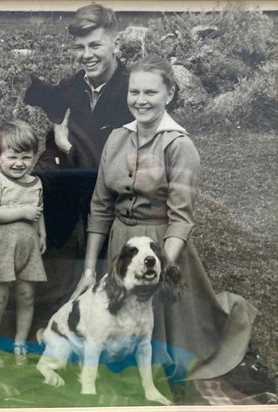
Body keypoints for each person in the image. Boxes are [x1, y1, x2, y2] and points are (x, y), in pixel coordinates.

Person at [74, 55, 257, 383]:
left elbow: (181, 219)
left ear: (169, 94)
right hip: (120, 247)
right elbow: (100, 209)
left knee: (158, 350)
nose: (140, 101)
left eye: (150, 93)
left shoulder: (179, 146)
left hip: (161, 248)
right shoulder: (116, 139)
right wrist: (89, 271)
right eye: (134, 92)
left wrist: (159, 273)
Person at [23, 4, 134, 326]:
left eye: (95, 45)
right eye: (80, 47)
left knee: (115, 287)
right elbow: (51, 149)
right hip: (77, 197)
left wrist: (70, 146)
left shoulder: (133, 89)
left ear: (114, 40)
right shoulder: (72, 88)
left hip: (121, 197)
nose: (87, 55)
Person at [0, 119, 47, 367]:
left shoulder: (35, 183)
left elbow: (38, 211)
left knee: (27, 295)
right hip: (1, 247)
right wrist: (22, 213)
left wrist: (41, 234)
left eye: (26, 157)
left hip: (27, 249)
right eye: (12, 156)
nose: (19, 163)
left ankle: (20, 341)